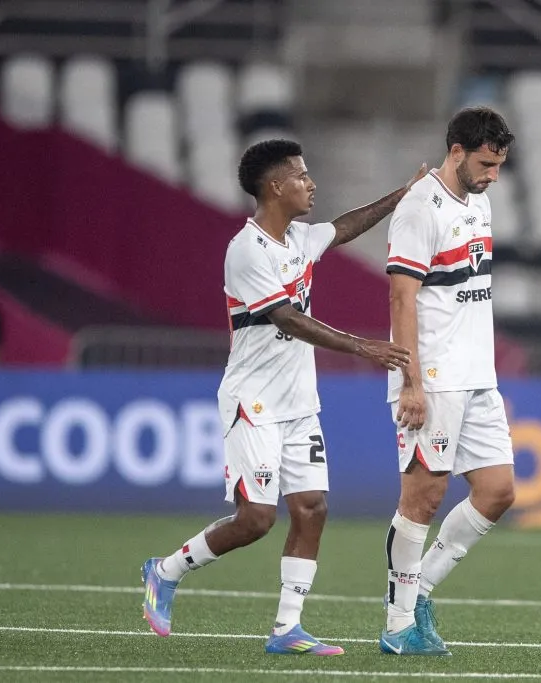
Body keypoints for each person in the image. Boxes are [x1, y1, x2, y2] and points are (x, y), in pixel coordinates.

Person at [142, 139, 424, 656]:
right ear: (275, 186)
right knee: (256, 520)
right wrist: (362, 346)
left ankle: (286, 628)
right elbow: (287, 319)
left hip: (299, 403)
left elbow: (344, 227)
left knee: (313, 508)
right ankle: (164, 571)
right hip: (254, 401)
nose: (311, 183)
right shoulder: (246, 250)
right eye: (301, 176)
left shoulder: (298, 237)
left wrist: (402, 196)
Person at [380, 107, 516, 656]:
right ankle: (396, 626)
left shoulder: (478, 201)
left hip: (477, 373)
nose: (494, 176)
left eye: (500, 165)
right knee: (423, 497)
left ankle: (422, 592)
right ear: (456, 151)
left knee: (498, 490)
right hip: (432, 375)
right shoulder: (419, 208)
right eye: (486, 163)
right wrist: (410, 380)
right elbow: (401, 296)